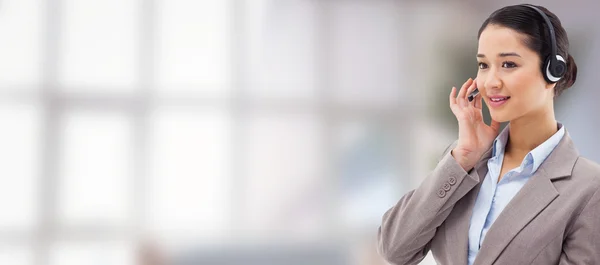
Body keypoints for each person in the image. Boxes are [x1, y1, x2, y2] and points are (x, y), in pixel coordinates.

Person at [377, 4, 600, 265]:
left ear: (553, 70)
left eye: (508, 64)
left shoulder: (589, 188)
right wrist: (462, 158)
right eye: (483, 65)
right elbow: (394, 250)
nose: (491, 81)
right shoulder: (465, 164)